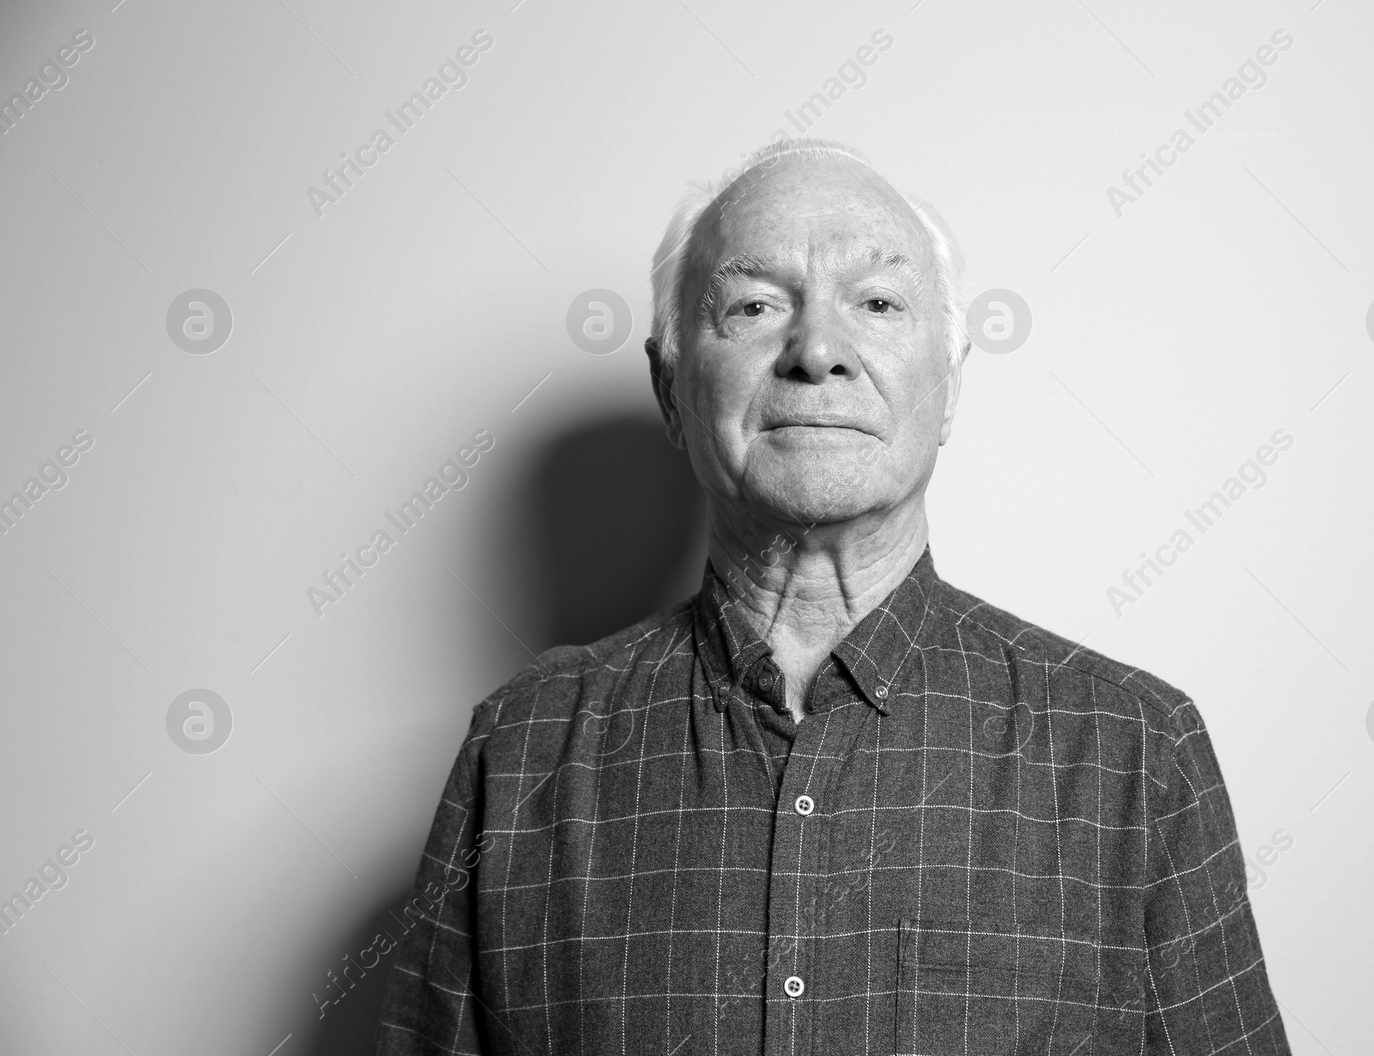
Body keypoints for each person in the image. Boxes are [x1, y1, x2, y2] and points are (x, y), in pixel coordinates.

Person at [376, 138, 1289, 1054]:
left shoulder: (1134, 753)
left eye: (879, 302)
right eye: (754, 305)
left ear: (952, 381)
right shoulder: (521, 748)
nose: (816, 350)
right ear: (670, 387)